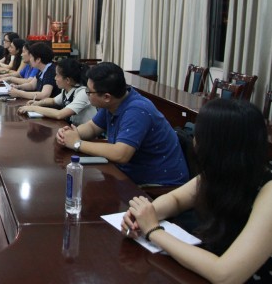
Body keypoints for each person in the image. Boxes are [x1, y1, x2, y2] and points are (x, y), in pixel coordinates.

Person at [122, 99, 272, 283]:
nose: (194, 141)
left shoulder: (268, 191)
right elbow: (176, 200)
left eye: (198, 136)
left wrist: (153, 230)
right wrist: (144, 215)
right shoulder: (224, 171)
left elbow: (226, 275)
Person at [56, 62, 188, 186]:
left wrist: (77, 143)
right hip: (128, 173)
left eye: (89, 92)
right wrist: (70, 134)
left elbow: (121, 154)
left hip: (159, 184)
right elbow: (92, 127)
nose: (87, 95)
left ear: (106, 97)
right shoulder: (115, 101)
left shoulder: (137, 110)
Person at [18, 58, 97, 125]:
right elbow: (53, 100)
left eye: (57, 75)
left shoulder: (83, 93)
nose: (55, 78)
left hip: (87, 135)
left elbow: (59, 114)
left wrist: (34, 108)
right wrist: (38, 103)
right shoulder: (66, 90)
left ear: (67, 80)